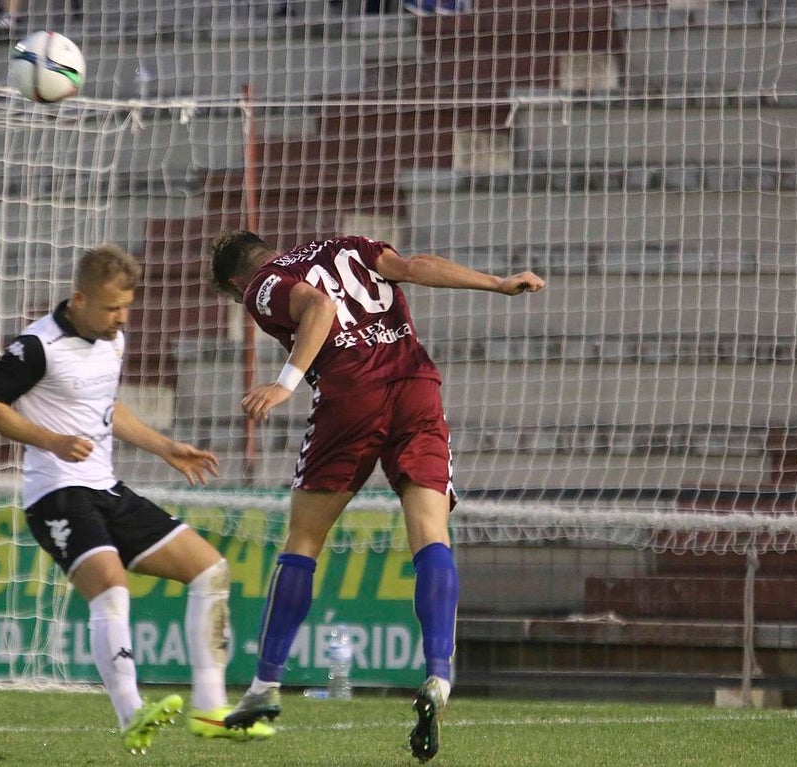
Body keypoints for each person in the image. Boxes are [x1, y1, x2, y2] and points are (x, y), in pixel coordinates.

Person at [209, 231, 545, 763]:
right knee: (431, 534)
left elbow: (317, 305)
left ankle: (264, 689)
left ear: (235, 281)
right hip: (415, 386)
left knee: (302, 541)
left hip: (352, 398)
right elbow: (414, 266)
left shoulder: (263, 285)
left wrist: (285, 383)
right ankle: (438, 676)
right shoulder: (344, 244)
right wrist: (498, 283)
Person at [0, 245, 274, 754]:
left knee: (210, 569)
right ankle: (133, 714)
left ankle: (209, 708)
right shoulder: (37, 346)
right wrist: (51, 440)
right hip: (56, 494)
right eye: (112, 308)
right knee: (112, 590)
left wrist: (166, 447)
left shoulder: (112, 341)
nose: (121, 317)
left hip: (105, 488)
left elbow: (107, 406)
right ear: (80, 298)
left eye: (127, 308)